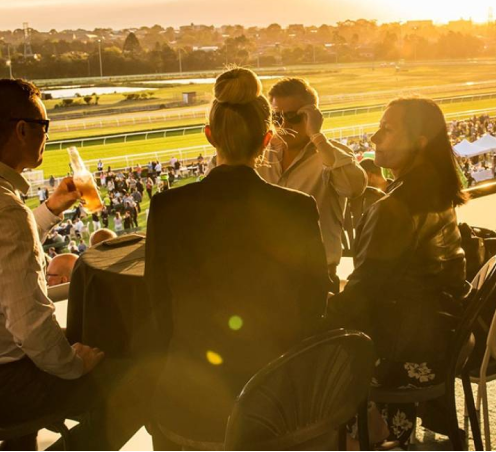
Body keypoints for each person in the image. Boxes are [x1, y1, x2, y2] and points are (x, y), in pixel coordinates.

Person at [146, 68, 330, 448]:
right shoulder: (297, 208)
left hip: (190, 401)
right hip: (273, 402)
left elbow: (159, 308)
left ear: (209, 136)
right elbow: (313, 308)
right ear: (267, 140)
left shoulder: (166, 206)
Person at [0, 79, 143, 450]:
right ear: (22, 130)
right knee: (139, 383)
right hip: (2, 381)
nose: (47, 136)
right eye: (45, 127)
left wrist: (47, 212)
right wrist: (74, 364)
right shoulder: (4, 210)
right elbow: (30, 326)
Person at [327, 98, 470, 448]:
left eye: (387, 130)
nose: (375, 137)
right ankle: (388, 429)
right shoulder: (439, 191)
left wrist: (317, 310)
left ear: (420, 141)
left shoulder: (393, 208)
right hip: (441, 342)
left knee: (311, 351)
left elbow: (362, 295)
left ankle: (365, 433)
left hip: (404, 353)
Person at [258, 78, 367, 290]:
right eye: (277, 117)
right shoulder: (262, 152)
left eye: (294, 117)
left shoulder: (331, 154)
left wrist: (316, 136)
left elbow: (354, 188)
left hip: (315, 277)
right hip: (266, 274)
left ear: (312, 115)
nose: (285, 124)